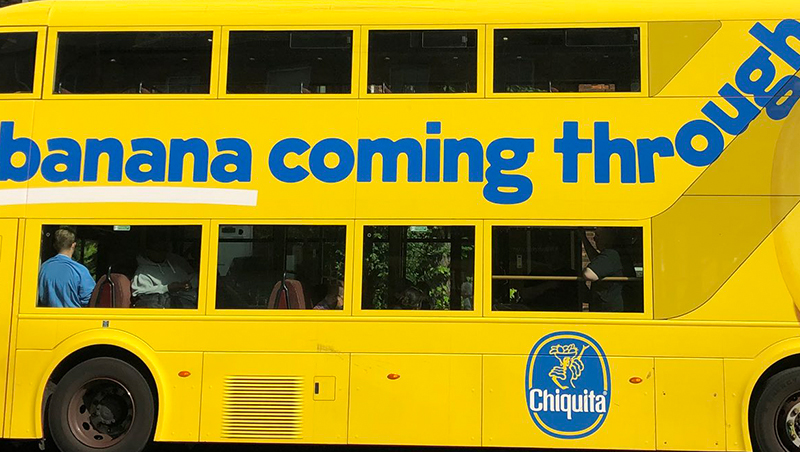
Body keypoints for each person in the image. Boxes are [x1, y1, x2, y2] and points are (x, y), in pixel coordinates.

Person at [131, 234, 198, 309]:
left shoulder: (175, 266)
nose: (162, 253)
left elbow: (190, 278)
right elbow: (140, 293)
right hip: (159, 305)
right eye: (158, 250)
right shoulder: (143, 271)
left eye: (164, 250)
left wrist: (188, 285)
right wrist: (167, 288)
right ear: (149, 251)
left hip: (183, 301)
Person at [38, 228, 95, 308]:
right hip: (73, 315)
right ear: (73, 245)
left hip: (47, 314)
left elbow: (41, 296)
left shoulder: (43, 268)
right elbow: (91, 299)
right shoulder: (80, 270)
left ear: (55, 245)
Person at [580, 228, 627, 312]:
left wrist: (580, 274)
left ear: (608, 237)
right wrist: (583, 238)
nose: (594, 239)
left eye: (597, 235)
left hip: (609, 311)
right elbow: (596, 259)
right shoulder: (617, 254)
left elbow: (589, 274)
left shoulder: (611, 255)